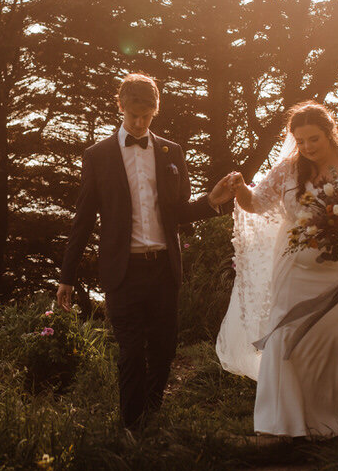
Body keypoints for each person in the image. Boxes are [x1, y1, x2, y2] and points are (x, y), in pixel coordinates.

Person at [58, 74, 240, 431]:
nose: (140, 124)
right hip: (123, 272)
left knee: (163, 350)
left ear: (156, 111)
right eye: (134, 116)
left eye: (147, 117)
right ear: (120, 107)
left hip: (163, 271)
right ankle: (130, 429)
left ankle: (152, 418)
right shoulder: (97, 156)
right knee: (130, 353)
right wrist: (67, 275)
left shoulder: (173, 152)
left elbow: (179, 213)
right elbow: (82, 220)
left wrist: (212, 201)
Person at [215, 100, 338, 437]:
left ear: (330, 133)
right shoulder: (287, 169)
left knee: (335, 338)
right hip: (294, 268)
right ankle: (281, 422)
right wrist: (239, 189)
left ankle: (335, 418)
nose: (308, 147)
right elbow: (255, 203)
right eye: (301, 141)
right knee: (287, 337)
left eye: (314, 139)